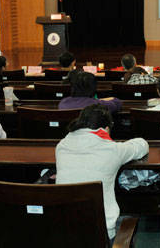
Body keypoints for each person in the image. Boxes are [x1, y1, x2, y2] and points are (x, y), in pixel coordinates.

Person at [55, 104, 149, 243]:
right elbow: (142, 145)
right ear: (106, 129)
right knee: (128, 224)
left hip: (65, 231)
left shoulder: (61, 146)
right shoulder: (112, 150)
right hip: (101, 234)